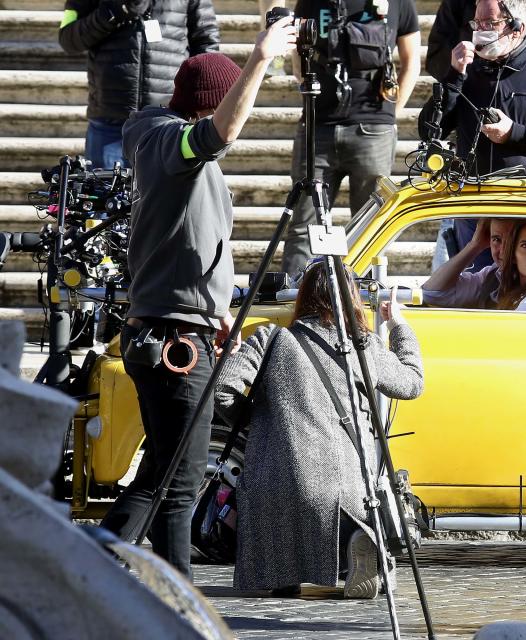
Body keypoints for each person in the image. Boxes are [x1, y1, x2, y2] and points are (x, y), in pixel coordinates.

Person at [99, 20, 298, 578]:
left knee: (157, 478)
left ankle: (93, 572)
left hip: (166, 329)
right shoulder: (174, 148)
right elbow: (220, 133)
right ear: (207, 106)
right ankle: (178, 604)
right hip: (174, 343)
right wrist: (259, 60)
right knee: (181, 487)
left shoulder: (153, 133)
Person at [215, 264, 424, 598]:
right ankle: (362, 547)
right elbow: (413, 383)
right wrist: (399, 326)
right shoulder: (361, 346)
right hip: (342, 492)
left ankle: (281, 577)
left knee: (271, 563)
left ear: (302, 296)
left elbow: (222, 389)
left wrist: (264, 425)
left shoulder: (269, 339)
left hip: (273, 487)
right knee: (352, 519)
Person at [418, 0, 526, 272]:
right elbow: (428, 130)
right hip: (475, 212)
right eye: (477, 23)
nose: (480, 30)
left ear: (517, 28)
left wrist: (514, 133)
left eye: (490, 24)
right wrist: (452, 78)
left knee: (522, 301)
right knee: (476, 300)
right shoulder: (464, 73)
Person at [280, 0, 421, 278]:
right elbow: (299, 56)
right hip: (318, 126)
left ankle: (360, 305)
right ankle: (297, 298)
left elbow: (411, 61)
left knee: (367, 226)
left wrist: (392, 112)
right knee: (305, 225)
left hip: (369, 127)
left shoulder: (398, 3)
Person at [58, 0, 220, 169]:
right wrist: (114, 11)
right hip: (110, 121)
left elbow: (206, 43)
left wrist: (199, 102)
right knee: (103, 193)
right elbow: (67, 39)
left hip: (168, 121)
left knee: (164, 195)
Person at [422, 218, 516, 309]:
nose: (503, 251)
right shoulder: (494, 276)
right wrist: (475, 245)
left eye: (513, 240)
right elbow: (432, 293)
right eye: (497, 239)